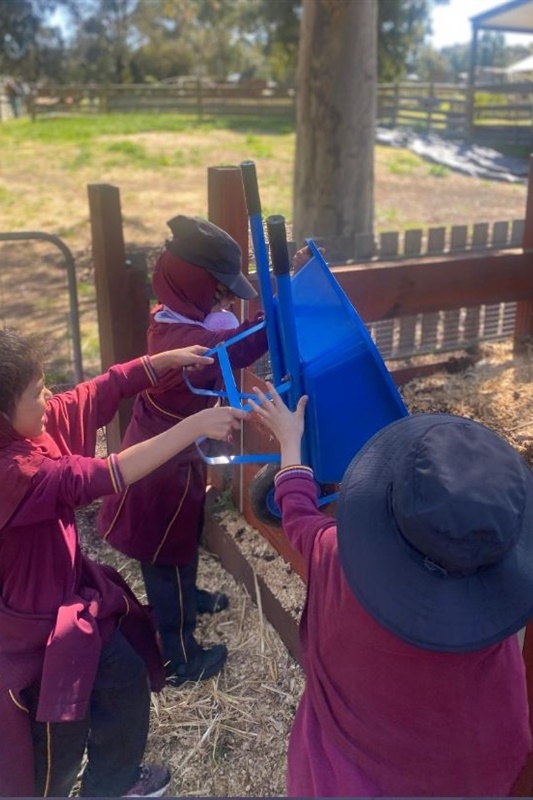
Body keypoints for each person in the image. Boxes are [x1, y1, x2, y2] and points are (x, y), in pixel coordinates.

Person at [249, 381, 533, 797]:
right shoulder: (497, 603)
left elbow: (298, 518)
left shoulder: (337, 556)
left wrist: (290, 443)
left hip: (348, 776)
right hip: (473, 771)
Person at [0, 328, 246, 798]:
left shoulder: (30, 432)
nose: (49, 398)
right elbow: (106, 474)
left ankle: (112, 783)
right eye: (36, 393)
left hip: (70, 600)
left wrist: (161, 361)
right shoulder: (14, 473)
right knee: (59, 741)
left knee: (126, 675)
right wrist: (194, 427)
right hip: (36, 634)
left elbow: (94, 391)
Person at [97, 214, 275, 688]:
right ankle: (178, 656)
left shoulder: (173, 316)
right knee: (166, 557)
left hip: (177, 463)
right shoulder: (181, 341)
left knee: (183, 539)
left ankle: (188, 596)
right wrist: (278, 310)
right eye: (219, 292)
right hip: (158, 475)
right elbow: (233, 347)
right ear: (193, 285)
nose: (227, 301)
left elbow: (224, 339)